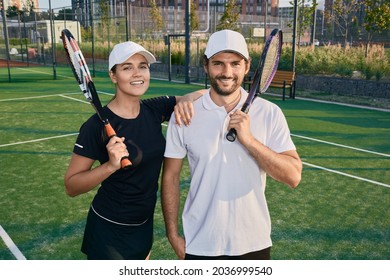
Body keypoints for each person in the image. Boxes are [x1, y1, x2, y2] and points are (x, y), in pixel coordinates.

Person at [161, 29, 302, 260]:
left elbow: (293, 176)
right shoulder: (185, 115)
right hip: (200, 243)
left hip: (253, 243)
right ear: (205, 66)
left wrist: (249, 141)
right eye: (218, 63)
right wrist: (172, 234)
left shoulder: (269, 113)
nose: (227, 72)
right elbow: (170, 177)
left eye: (235, 63)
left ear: (247, 66)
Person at [64, 41, 203, 260]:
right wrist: (110, 166)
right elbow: (71, 186)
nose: (137, 73)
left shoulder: (155, 108)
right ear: (114, 75)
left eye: (143, 66)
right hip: (109, 231)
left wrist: (185, 99)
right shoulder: (94, 127)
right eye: (127, 67)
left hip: (143, 226)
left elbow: (202, 95)